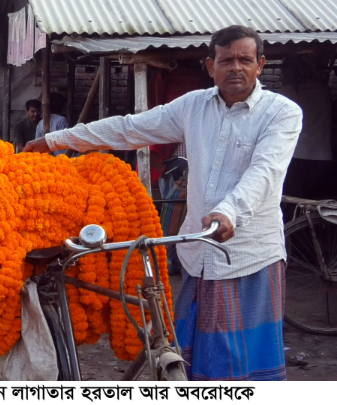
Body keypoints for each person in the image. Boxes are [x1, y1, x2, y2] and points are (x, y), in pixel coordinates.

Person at [25, 25, 302, 381]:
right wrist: (55, 139)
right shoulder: (193, 106)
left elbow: (265, 171)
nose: (236, 68)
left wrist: (228, 212)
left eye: (245, 60)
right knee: (191, 357)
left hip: (247, 255)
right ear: (209, 66)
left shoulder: (282, 113)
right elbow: (129, 128)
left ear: (260, 65)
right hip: (197, 255)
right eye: (226, 60)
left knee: (245, 368)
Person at [280, 55, 333, 201]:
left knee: (293, 200)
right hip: (322, 157)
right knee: (316, 201)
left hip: (296, 155)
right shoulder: (324, 91)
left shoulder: (288, 91)